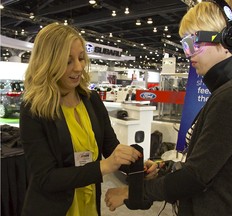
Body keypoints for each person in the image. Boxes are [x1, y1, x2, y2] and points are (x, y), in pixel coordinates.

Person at [105, 0, 232, 215]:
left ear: (228, 39)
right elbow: (213, 162)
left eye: (193, 43)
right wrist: (166, 169)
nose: (188, 53)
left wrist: (132, 192)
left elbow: (195, 177)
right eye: (185, 45)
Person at [19, 22, 158, 216]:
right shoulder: (34, 109)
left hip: (89, 204)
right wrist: (104, 165)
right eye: (68, 61)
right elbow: (46, 178)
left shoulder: (91, 99)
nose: (78, 67)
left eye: (81, 58)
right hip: (53, 209)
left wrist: (136, 164)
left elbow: (111, 147)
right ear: (48, 63)